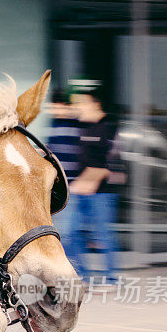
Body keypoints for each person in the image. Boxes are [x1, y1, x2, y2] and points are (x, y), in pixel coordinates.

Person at [66, 85, 120, 285]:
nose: (76, 108)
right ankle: (82, 275)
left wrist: (87, 182)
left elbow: (109, 164)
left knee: (103, 235)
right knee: (73, 233)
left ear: (94, 104)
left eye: (81, 103)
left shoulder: (109, 127)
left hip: (102, 193)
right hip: (82, 190)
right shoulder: (84, 127)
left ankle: (112, 277)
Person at [45, 89, 81, 240]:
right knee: (66, 232)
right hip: (59, 186)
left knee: (66, 233)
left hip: (73, 185)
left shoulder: (76, 125)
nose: (52, 110)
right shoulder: (55, 124)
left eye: (55, 107)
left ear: (64, 105)